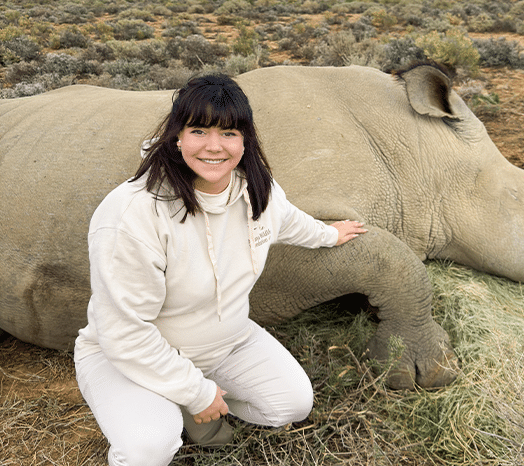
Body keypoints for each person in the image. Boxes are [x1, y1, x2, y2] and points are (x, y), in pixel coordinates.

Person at [74, 73, 367, 466]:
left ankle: (180, 402)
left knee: (292, 404)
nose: (214, 147)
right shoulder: (132, 214)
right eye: (198, 130)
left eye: (228, 133)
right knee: (149, 447)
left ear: (245, 140)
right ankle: (167, 407)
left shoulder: (256, 188)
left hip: (226, 343)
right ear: (177, 137)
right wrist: (197, 392)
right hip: (129, 357)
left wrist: (329, 235)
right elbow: (124, 333)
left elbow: (287, 221)